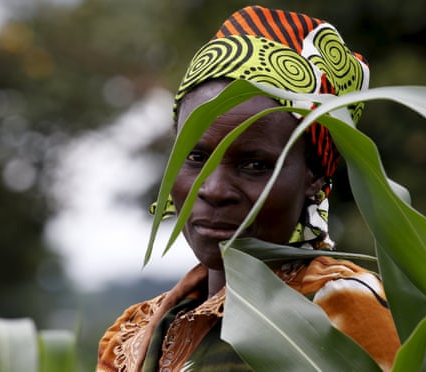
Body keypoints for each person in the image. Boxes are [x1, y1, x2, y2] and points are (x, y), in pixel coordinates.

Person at [97, 5, 400, 371]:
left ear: (314, 176)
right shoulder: (134, 335)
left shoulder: (341, 307)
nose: (214, 189)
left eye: (255, 165)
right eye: (196, 157)